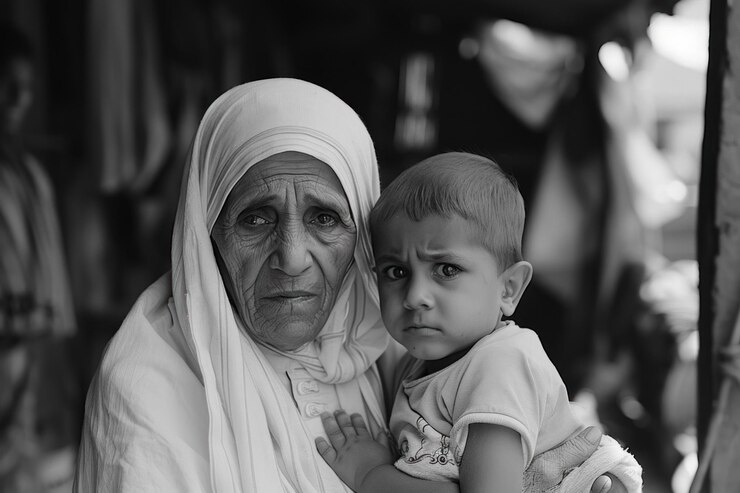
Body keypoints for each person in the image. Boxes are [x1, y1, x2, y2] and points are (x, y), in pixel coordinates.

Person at [74, 78, 626, 492]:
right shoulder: (150, 383)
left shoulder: (387, 344)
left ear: (360, 238)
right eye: (256, 218)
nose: (292, 259)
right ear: (206, 232)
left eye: (324, 219)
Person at [315, 152, 643, 492]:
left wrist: (371, 475)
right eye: (395, 272)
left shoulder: (500, 366)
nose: (414, 296)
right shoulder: (428, 363)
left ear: (509, 288)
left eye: (446, 270)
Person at [0, 22, 78, 492]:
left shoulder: (32, 178)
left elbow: (57, 296)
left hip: (38, 372)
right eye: (6, 83)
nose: (17, 98)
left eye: (26, 87)